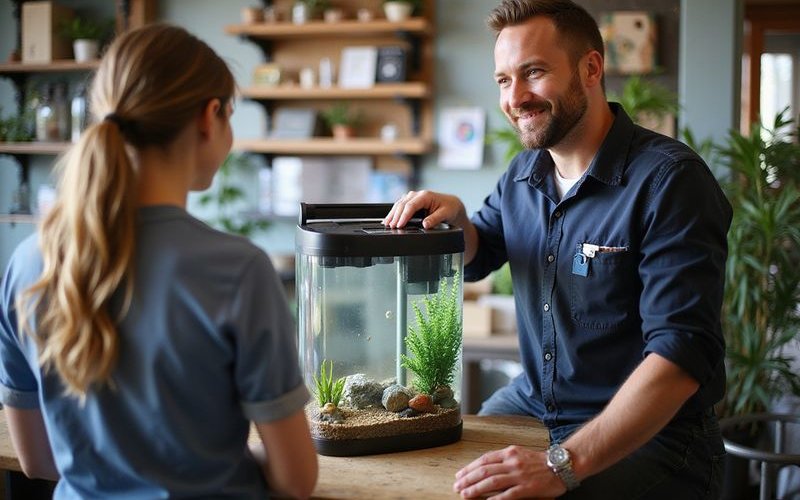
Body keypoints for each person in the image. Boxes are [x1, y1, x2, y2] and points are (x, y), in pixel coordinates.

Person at [384, 1, 731, 498]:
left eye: (534, 72)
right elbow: (481, 255)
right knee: (440, 477)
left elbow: (681, 356)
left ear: (591, 68)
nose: (515, 97)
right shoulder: (521, 175)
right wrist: (458, 220)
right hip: (535, 405)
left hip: (656, 435)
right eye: (504, 80)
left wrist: (559, 466)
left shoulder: (670, 181)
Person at [0, 24, 317, 499]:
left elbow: (38, 460)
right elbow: (295, 480)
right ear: (210, 117)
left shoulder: (27, 264)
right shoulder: (239, 270)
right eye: (230, 116)